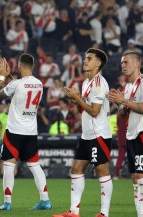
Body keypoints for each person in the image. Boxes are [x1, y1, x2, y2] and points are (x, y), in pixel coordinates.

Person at [53, 48, 112, 217]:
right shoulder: (87, 82)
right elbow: (83, 111)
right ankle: (73, 211)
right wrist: (76, 99)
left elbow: (94, 111)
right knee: (77, 168)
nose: (85, 61)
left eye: (89, 58)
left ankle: (104, 213)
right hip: (87, 135)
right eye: (86, 58)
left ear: (98, 63)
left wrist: (78, 99)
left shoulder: (100, 83)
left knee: (102, 171)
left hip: (99, 134)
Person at [0, 54, 52, 211]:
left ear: (19, 65)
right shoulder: (39, 84)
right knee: (35, 166)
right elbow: (21, 87)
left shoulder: (17, 84)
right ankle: (45, 200)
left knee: (9, 165)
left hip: (14, 131)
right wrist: (11, 78)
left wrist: (2, 76)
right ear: (32, 66)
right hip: (31, 131)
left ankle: (7, 202)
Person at [108, 51, 143, 217]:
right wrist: (120, 104)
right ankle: (139, 213)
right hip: (131, 135)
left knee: (142, 176)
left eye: (126, 62)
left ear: (137, 64)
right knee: (135, 177)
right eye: (122, 63)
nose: (123, 65)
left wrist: (124, 101)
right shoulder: (127, 87)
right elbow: (123, 115)